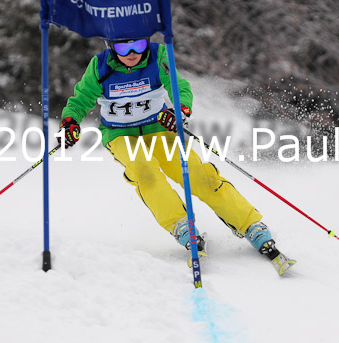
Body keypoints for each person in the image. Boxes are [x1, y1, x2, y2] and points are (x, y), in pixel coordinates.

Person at [58, 37, 296, 275]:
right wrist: (70, 122)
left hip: (160, 127)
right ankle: (181, 225)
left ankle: (250, 224)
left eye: (138, 45)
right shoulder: (100, 66)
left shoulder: (157, 55)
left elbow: (178, 86)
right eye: (123, 47)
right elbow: (80, 101)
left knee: (198, 174)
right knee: (145, 172)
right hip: (121, 134)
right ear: (111, 46)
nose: (132, 53)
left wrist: (180, 111)